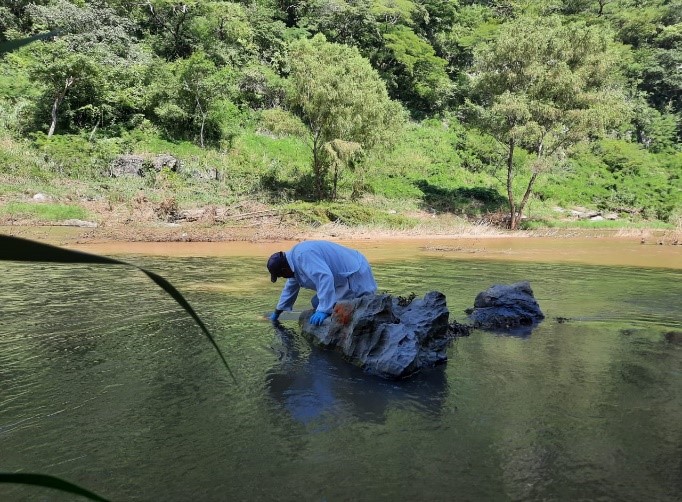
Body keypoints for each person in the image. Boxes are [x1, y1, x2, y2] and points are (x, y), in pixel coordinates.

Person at [267, 240, 378, 325]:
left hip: (355, 274)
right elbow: (290, 288)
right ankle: (328, 307)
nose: (284, 278)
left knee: (326, 307)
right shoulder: (292, 261)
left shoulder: (303, 255)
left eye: (281, 276)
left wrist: (323, 310)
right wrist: (277, 312)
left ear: (283, 270)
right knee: (316, 302)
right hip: (342, 279)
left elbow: (324, 277)